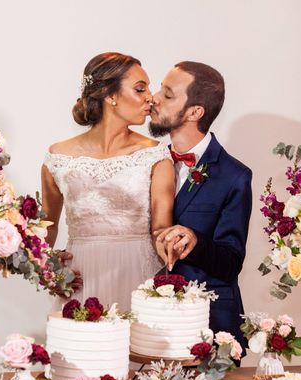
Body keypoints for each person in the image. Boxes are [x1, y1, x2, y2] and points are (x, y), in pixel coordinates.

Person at [42, 52, 175, 310]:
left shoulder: (156, 155)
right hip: (78, 276)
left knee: (136, 349)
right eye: (140, 88)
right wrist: (47, 268)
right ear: (110, 95)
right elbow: (46, 227)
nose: (151, 97)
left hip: (137, 274)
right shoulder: (57, 157)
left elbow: (161, 230)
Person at [149, 61, 252, 349]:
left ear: (195, 112)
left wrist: (195, 240)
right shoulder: (144, 162)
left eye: (168, 95)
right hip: (148, 321)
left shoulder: (235, 176)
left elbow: (232, 262)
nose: (154, 98)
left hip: (208, 324)